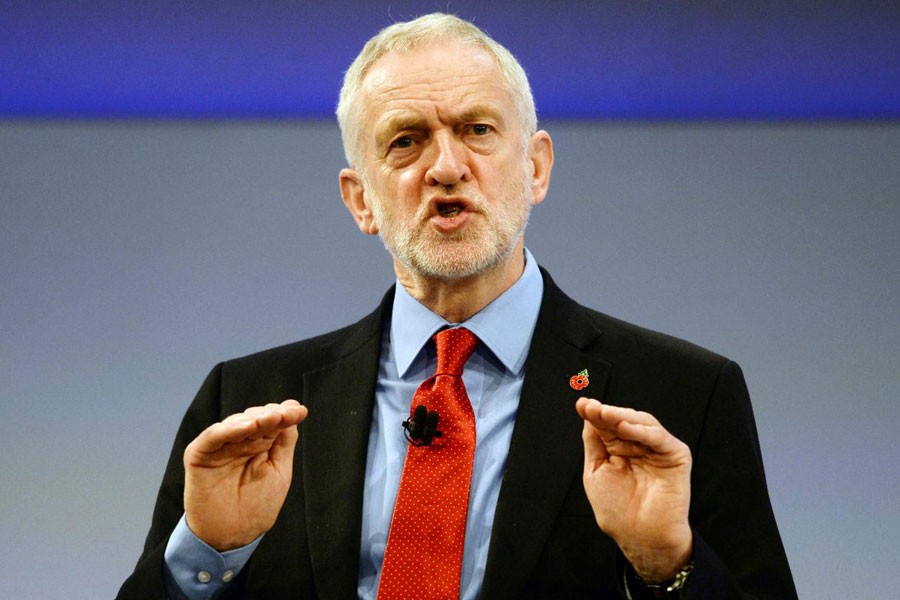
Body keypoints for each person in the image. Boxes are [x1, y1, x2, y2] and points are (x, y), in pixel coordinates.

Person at [118, 13, 796, 600]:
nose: (446, 166)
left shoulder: (683, 395)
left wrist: (665, 567)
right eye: (406, 140)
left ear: (535, 168)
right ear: (361, 200)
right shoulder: (245, 403)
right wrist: (209, 555)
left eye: (476, 129)